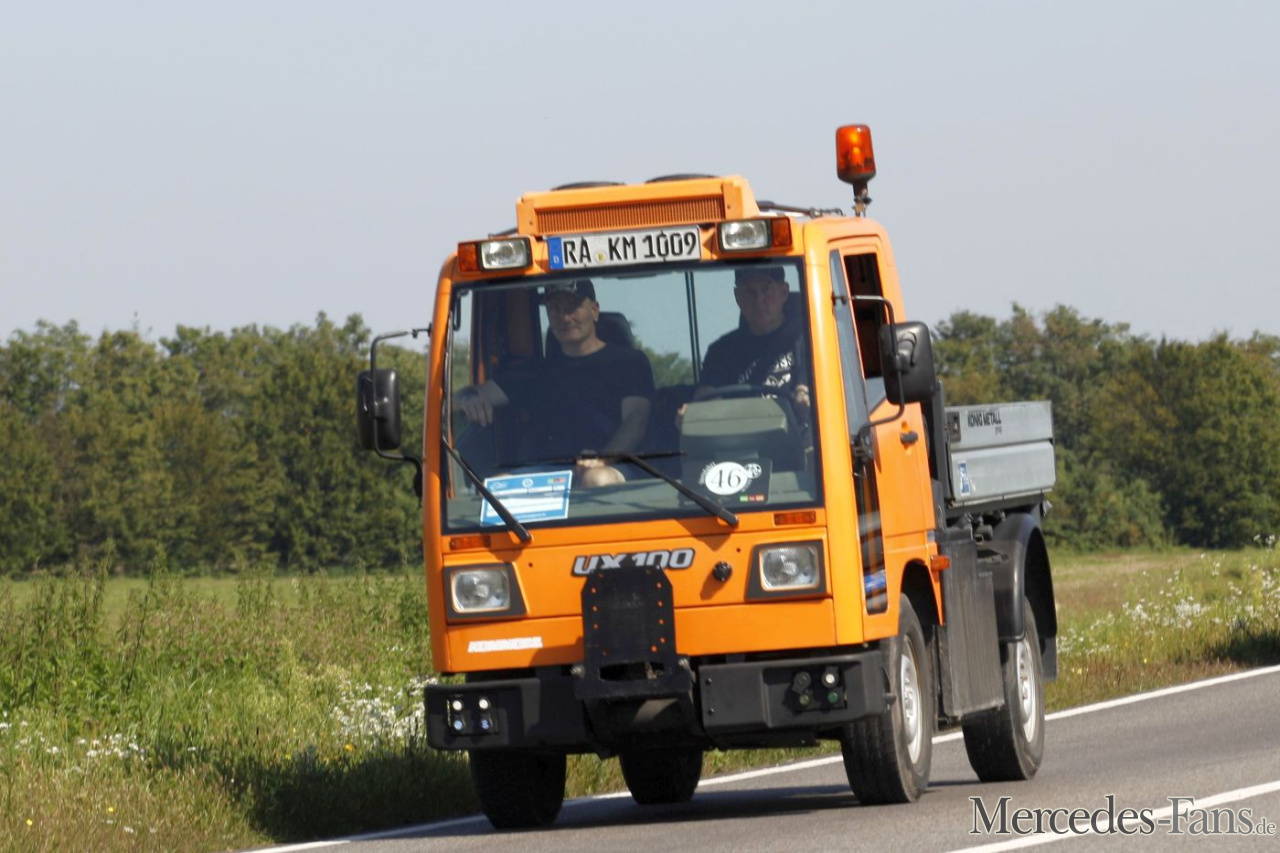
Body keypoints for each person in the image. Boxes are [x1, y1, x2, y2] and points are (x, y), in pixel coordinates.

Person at [453, 279, 654, 487]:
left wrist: (603, 459)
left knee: (596, 479)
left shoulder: (629, 363)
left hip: (615, 466)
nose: (564, 317)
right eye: (555, 309)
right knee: (496, 489)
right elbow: (457, 399)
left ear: (594, 311)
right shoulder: (535, 371)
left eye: (572, 307)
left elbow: (635, 420)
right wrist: (468, 399)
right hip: (550, 474)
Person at [695, 266, 810, 412]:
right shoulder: (720, 353)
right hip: (740, 427)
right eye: (749, 291)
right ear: (737, 297)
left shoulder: (810, 340)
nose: (758, 300)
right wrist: (696, 410)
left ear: (784, 292)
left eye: (766, 289)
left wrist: (805, 395)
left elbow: (821, 389)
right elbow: (705, 397)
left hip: (801, 426)